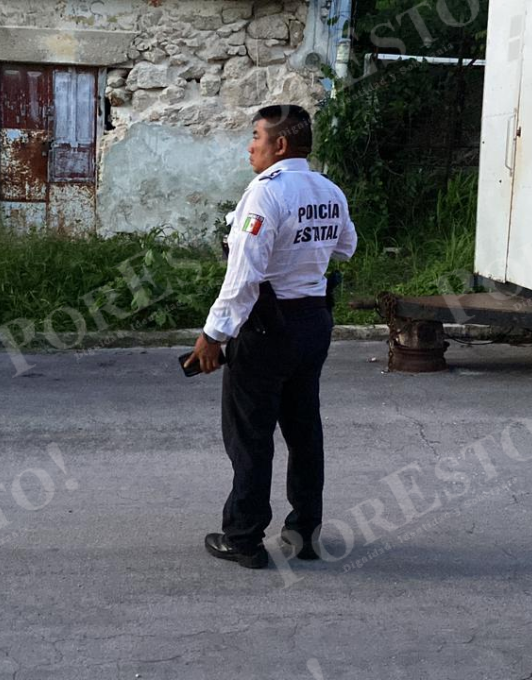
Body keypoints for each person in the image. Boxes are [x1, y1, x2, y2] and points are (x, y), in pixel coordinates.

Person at [183, 104, 358, 569]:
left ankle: (243, 537)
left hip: (266, 326)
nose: (250, 146)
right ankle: (304, 532)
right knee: (304, 430)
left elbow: (242, 280)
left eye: (256, 136)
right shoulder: (328, 189)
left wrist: (212, 336)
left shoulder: (265, 195)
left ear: (279, 145)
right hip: (314, 321)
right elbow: (347, 246)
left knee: (251, 436)